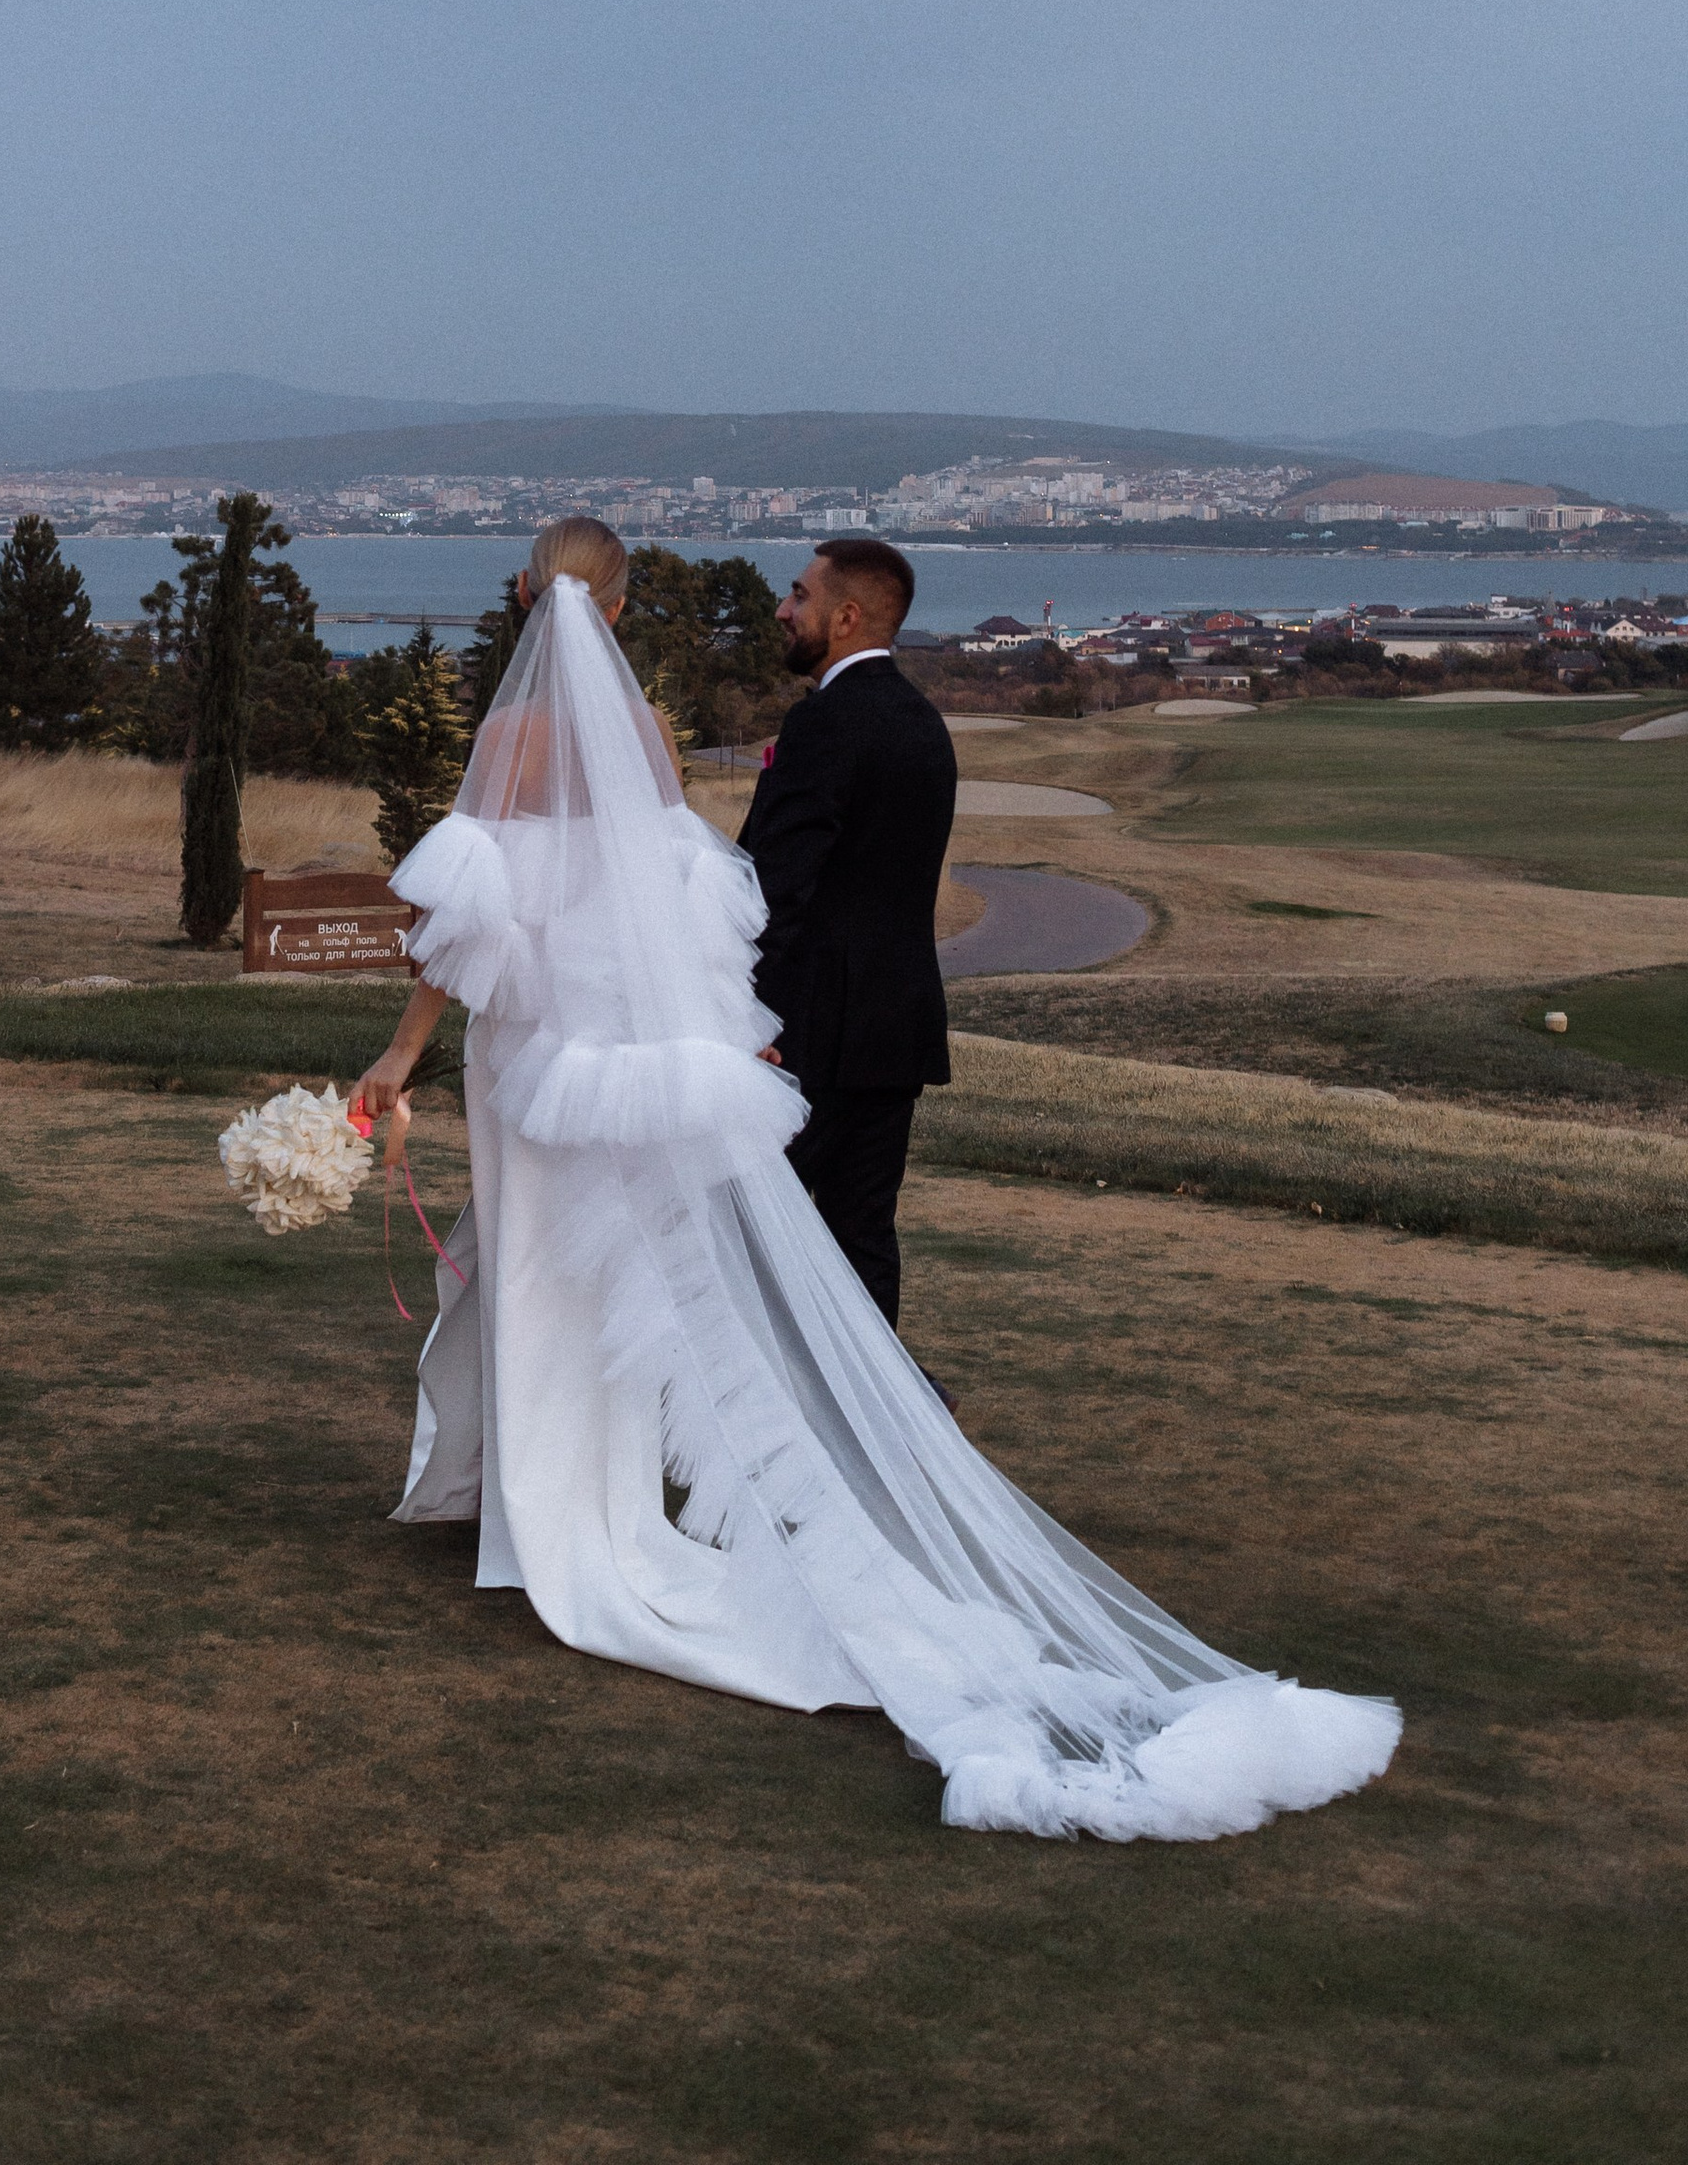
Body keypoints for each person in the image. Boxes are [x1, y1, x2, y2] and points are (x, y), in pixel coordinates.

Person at [343, 518, 1400, 1840]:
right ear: (613, 612)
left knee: (550, 1279)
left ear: (528, 600)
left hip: (540, 1060)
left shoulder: (512, 738)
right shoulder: (667, 740)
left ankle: (550, 1525)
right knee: (618, 1283)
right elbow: (693, 911)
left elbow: (464, 934)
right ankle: (578, 1501)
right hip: (634, 1059)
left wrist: (399, 1058)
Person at [737, 536, 956, 1327]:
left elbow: (774, 886)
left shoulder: (825, 723)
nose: (783, 609)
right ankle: (875, 1398)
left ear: (847, 617)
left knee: (748, 1228)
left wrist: (742, 1014)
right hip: (895, 1029)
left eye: (800, 595)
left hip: (808, 1031)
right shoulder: (924, 723)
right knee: (863, 1237)